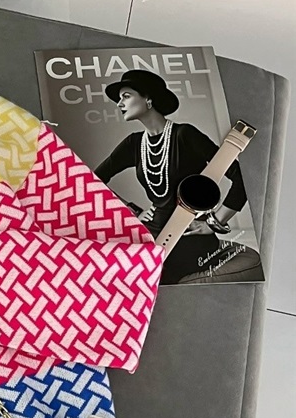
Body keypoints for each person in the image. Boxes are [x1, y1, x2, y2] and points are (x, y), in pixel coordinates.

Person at [94, 68, 259, 283]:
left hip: (188, 237)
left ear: (148, 100)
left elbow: (241, 178)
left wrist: (213, 223)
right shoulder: (134, 143)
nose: (119, 103)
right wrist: (131, 211)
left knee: (146, 279)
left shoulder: (185, 135)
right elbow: (92, 180)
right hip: (150, 233)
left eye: (126, 96)